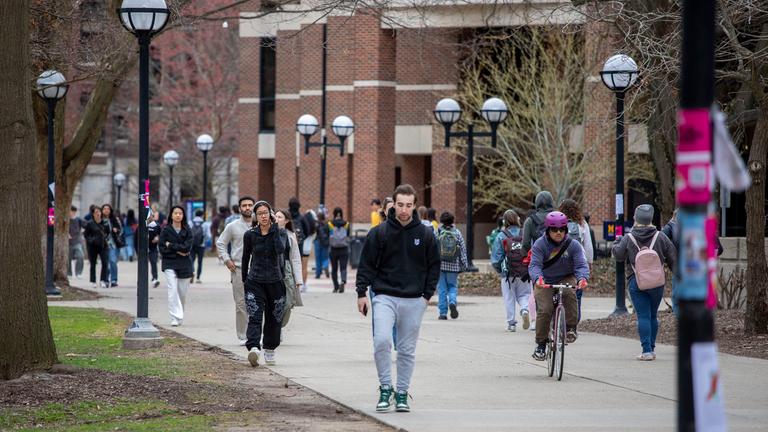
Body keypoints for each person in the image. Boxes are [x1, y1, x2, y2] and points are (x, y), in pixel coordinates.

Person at [356, 184, 440, 413]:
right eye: (400, 204)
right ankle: (385, 388)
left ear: (415, 206)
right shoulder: (379, 233)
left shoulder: (425, 234)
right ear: (393, 204)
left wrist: (426, 296)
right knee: (382, 341)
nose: (404, 210)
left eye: (408, 205)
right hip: (384, 296)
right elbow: (366, 264)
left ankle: (401, 393)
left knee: (406, 350)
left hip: (414, 300)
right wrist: (361, 293)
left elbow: (434, 266)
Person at [613, 205, 677, 361]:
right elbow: (673, 259)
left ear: (636, 218)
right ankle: (651, 349)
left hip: (636, 281)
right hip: (657, 282)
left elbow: (619, 256)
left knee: (643, 316)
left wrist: (617, 243)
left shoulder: (629, 238)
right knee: (653, 315)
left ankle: (646, 350)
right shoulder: (661, 237)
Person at [528, 211, 589, 361]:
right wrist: (538, 278)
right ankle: (541, 345)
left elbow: (581, 265)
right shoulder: (540, 244)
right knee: (545, 309)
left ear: (566, 230)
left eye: (562, 229)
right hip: (545, 279)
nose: (558, 233)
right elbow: (534, 265)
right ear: (548, 230)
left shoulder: (573, 245)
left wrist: (582, 278)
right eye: (554, 229)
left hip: (565, 277)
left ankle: (570, 328)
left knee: (569, 294)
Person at [242, 200, 289, 367]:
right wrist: (244, 279)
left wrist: (275, 228)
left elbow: (280, 250)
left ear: (271, 215)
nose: (263, 216)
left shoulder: (281, 233)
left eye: (266, 213)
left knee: (274, 318)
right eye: (260, 213)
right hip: (255, 281)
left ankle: (269, 349)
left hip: (275, 282)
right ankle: (254, 347)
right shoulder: (250, 235)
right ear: (256, 216)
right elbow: (245, 257)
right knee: (255, 316)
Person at [216, 196, 255, 346]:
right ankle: (243, 336)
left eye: (250, 205)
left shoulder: (261, 225)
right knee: (241, 304)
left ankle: (258, 333)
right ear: (239, 208)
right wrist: (227, 260)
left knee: (260, 303)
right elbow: (221, 243)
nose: (247, 208)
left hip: (258, 269)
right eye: (244, 205)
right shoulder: (232, 226)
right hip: (238, 269)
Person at [491, 209, 532, 332]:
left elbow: (496, 258)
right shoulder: (525, 234)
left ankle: (511, 323)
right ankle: (524, 309)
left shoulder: (501, 236)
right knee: (524, 295)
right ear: (517, 219)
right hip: (524, 271)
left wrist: (501, 271)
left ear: (505, 221)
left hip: (508, 273)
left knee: (509, 298)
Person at [559, 199, 594, 323]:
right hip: (577, 262)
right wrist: (589, 263)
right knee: (576, 293)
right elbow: (588, 246)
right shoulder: (582, 224)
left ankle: (557, 318)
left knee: (559, 290)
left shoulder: (558, 222)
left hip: (559, 261)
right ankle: (573, 324)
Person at [159, 205, 194, 327]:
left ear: (183, 215)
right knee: (172, 289)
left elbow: (187, 248)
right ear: (171, 215)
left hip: (184, 264)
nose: (178, 215)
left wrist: (171, 245)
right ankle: (175, 316)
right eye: (175, 213)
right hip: (169, 263)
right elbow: (162, 249)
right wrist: (178, 251)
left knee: (182, 293)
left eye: (180, 213)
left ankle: (180, 314)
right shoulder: (165, 230)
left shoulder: (187, 230)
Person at [274, 209, 304, 326]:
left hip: (287, 269)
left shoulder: (291, 235)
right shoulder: (269, 233)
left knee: (289, 302)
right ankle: (273, 329)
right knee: (274, 301)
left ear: (286, 221)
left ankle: (279, 326)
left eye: (280, 217)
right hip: (273, 268)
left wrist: (298, 279)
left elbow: (296, 258)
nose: (276, 219)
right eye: (275, 216)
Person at [436, 211, 468, 320]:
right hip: (453, 266)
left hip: (440, 266)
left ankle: (443, 313)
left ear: (442, 221)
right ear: (452, 221)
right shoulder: (457, 233)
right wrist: (464, 265)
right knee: (452, 287)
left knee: (442, 289)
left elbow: (434, 248)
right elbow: (463, 250)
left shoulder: (439, 232)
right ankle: (452, 302)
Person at [83, 206, 110, 288]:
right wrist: (91, 240)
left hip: (103, 245)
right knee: (93, 264)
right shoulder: (90, 223)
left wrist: (105, 239)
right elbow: (86, 235)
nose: (98, 214)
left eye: (99, 212)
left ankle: (103, 280)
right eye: (96, 212)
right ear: (93, 214)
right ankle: (93, 281)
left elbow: (108, 233)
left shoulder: (105, 222)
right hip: (93, 246)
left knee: (105, 262)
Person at [289, 197, 311, 285]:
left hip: (288, 243)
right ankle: (298, 282)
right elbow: (307, 231)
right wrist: (302, 239)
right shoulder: (302, 217)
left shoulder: (287, 216)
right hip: (299, 243)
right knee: (298, 262)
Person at [328, 207, 351, 293]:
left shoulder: (330, 224)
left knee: (334, 269)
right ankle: (343, 281)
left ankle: (336, 286)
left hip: (333, 249)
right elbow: (348, 235)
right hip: (344, 248)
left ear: (334, 214)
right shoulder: (346, 224)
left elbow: (327, 234)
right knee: (343, 267)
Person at [101, 204, 123, 287]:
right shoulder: (100, 220)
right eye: (104, 209)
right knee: (106, 263)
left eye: (108, 209)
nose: (106, 210)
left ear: (110, 210)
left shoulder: (115, 219)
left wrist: (117, 230)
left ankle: (114, 280)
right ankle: (105, 279)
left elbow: (121, 230)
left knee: (113, 261)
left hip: (113, 244)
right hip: (104, 244)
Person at [68, 206, 86, 279]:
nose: (69, 213)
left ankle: (78, 273)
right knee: (68, 258)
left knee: (80, 256)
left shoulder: (78, 220)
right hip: (68, 243)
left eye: (70, 211)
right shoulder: (66, 219)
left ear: (74, 212)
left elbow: (87, 226)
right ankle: (69, 273)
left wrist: (82, 233)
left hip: (77, 241)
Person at [189, 209, 206, 283]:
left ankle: (192, 273)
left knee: (191, 260)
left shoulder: (190, 222)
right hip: (201, 245)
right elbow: (207, 235)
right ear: (202, 215)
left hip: (192, 244)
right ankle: (198, 278)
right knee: (200, 261)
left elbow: (188, 232)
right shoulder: (204, 223)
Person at [314, 211, 331, 279]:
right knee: (325, 257)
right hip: (326, 242)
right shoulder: (327, 224)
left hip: (318, 241)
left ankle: (318, 273)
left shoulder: (317, 224)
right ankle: (325, 266)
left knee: (318, 258)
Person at [147, 211, 161, 288]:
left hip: (153, 248)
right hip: (143, 248)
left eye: (151, 216)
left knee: (153, 263)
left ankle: (155, 278)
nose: (150, 218)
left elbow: (161, 235)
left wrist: (157, 238)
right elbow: (136, 237)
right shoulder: (142, 225)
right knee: (143, 265)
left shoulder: (157, 226)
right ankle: (142, 279)